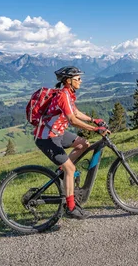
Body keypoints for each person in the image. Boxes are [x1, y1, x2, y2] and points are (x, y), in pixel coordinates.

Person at [34, 66, 110, 219]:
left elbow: (75, 112)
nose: (81, 81)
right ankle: (71, 208)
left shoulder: (68, 94)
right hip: (47, 138)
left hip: (58, 133)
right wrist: (95, 129)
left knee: (83, 144)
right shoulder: (63, 95)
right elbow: (72, 120)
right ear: (68, 81)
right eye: (78, 79)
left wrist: (94, 120)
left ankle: (61, 171)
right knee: (71, 169)